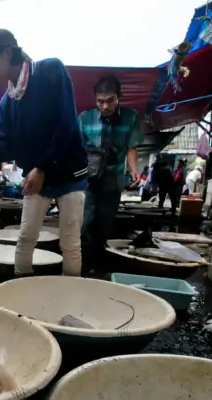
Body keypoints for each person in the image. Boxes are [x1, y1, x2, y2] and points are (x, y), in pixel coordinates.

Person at [0, 29, 88, 277]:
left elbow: (67, 126)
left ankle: (72, 297)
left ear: (8, 53)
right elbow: (9, 146)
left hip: (68, 173)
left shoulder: (51, 71)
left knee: (70, 244)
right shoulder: (8, 101)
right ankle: (20, 295)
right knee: (26, 237)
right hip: (36, 175)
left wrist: (42, 167)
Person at [79, 75, 143, 272]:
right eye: (100, 101)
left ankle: (96, 266)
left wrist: (133, 169)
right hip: (88, 180)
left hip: (113, 180)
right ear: (95, 98)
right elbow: (77, 149)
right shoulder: (84, 118)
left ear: (119, 97)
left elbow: (132, 147)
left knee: (104, 224)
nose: (104, 106)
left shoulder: (131, 117)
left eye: (110, 100)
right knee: (84, 222)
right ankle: (81, 265)